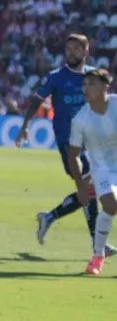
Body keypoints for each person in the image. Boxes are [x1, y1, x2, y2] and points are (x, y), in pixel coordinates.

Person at [15, 34, 115, 255]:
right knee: (91, 189)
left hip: (96, 142)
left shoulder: (93, 77)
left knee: (91, 190)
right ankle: (96, 244)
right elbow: (37, 100)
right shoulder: (56, 77)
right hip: (70, 144)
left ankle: (49, 217)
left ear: (86, 51)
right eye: (68, 49)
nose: (71, 53)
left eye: (76, 49)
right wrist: (26, 126)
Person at [67, 68, 117, 275]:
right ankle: (98, 256)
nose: (86, 88)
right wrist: (80, 185)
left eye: (92, 84)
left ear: (105, 86)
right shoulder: (80, 120)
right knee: (111, 204)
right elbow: (73, 155)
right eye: (84, 84)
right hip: (102, 169)